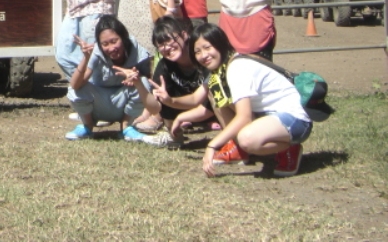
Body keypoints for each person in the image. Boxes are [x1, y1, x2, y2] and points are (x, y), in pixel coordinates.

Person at [191, 23, 311, 177]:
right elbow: (195, 98)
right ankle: (238, 149)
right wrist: (170, 101)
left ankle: (290, 148)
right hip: (268, 115)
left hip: (295, 119)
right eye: (197, 51)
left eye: (207, 48)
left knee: (247, 139)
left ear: (220, 44)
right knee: (216, 94)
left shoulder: (236, 68)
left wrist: (212, 145)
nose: (203, 55)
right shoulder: (222, 70)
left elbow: (244, 117)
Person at [64, 15, 160, 142]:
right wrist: (86, 58)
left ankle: (126, 127)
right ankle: (87, 126)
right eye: (105, 44)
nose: (111, 48)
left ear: (124, 37)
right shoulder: (96, 51)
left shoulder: (137, 51)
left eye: (114, 41)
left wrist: (135, 79)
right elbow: (75, 85)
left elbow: (148, 86)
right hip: (99, 104)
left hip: (124, 104)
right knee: (74, 89)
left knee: (143, 82)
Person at [147, 16, 215, 148]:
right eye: (161, 44)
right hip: (182, 108)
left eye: (169, 40)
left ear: (184, 35)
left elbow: (208, 102)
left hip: (208, 109)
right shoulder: (164, 66)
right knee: (162, 94)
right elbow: (155, 106)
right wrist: (138, 83)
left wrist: (183, 117)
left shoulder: (203, 58)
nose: (166, 47)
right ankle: (174, 135)